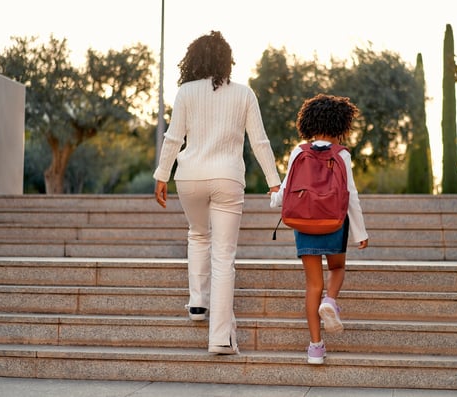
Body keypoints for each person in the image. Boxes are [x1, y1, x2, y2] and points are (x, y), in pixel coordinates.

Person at [153, 31, 281, 355]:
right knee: (224, 257)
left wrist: (161, 175)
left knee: (197, 234)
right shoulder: (244, 94)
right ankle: (220, 339)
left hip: (190, 177)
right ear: (227, 61)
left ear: (194, 61)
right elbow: (260, 141)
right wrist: (274, 181)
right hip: (228, 178)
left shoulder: (186, 92)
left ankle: (198, 302)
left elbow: (172, 138)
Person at [270, 93, 369, 364]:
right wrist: (361, 232)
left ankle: (315, 347)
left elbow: (286, 188)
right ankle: (331, 301)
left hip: (304, 223)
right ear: (341, 126)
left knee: (313, 284)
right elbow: (351, 195)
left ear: (309, 124)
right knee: (337, 269)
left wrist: (274, 198)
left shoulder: (298, 152)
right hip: (333, 223)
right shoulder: (342, 155)